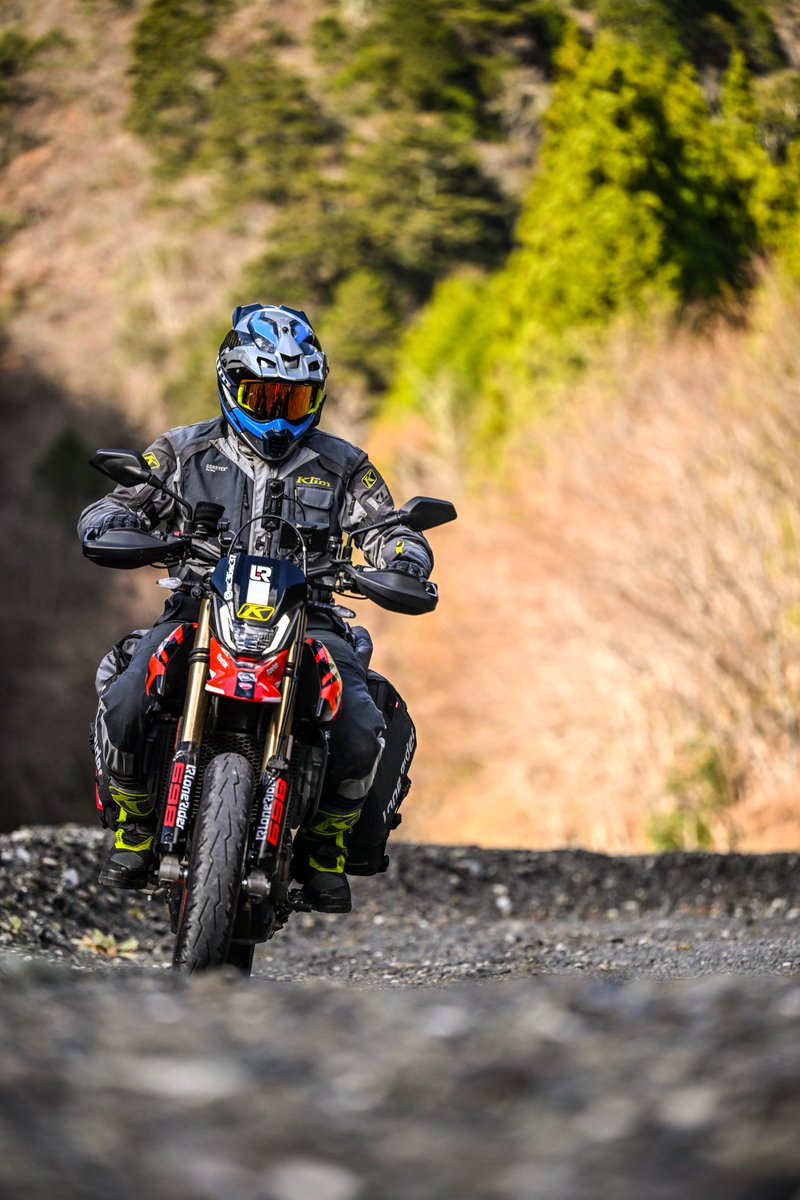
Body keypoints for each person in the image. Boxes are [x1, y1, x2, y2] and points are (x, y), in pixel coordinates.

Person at [78, 303, 433, 912]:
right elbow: (118, 503)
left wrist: (402, 557)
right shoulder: (183, 451)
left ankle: (325, 845)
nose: (276, 411)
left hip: (311, 617)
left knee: (362, 721)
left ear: (316, 398)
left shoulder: (343, 465)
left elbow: (391, 527)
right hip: (199, 605)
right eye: (260, 393)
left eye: (292, 399)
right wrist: (117, 521)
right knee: (129, 691)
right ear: (228, 383)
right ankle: (136, 821)